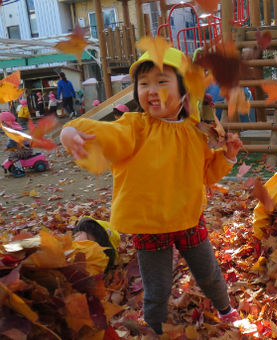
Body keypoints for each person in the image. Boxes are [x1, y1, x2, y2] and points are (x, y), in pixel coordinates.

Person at [59, 46, 243, 335]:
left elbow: (206, 173)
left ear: (183, 90)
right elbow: (108, 134)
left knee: (208, 272)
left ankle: (225, 308)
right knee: (157, 287)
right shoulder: (135, 127)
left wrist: (228, 156)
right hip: (150, 224)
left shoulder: (196, 131)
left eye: (161, 82)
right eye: (143, 84)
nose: (151, 90)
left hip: (189, 218)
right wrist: (71, 130)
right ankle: (155, 328)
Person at [1, 111, 33, 176]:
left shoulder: (14, 130)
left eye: (3, 122)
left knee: (12, 156)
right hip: (25, 148)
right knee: (13, 154)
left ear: (7, 122)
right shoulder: (15, 126)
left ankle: (20, 170)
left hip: (25, 150)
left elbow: (13, 140)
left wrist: (7, 147)